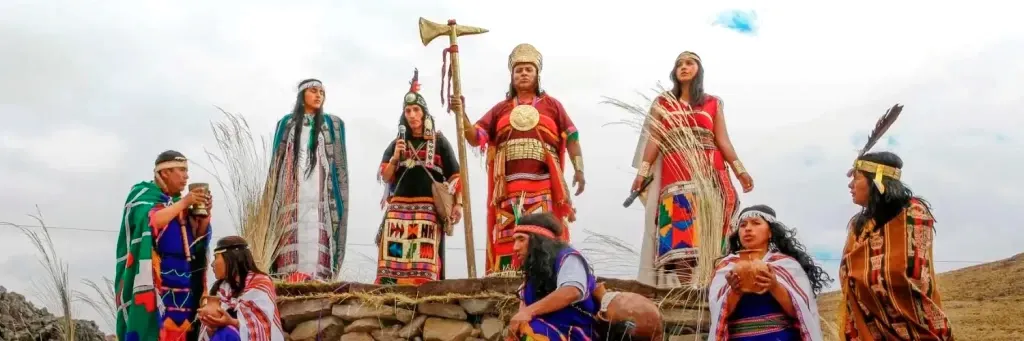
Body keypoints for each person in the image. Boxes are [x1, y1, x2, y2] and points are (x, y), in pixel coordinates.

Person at [448, 43, 586, 275]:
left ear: (537, 75)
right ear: (511, 76)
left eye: (528, 69)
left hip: (542, 184)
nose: (523, 73)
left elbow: (572, 136)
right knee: (508, 238)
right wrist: (462, 115)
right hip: (508, 187)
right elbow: (475, 137)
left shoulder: (553, 106)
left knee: (542, 237)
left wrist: (579, 170)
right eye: (518, 70)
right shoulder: (500, 109)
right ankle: (505, 285)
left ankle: (544, 281)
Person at [629, 51, 754, 288]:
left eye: (689, 63)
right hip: (675, 171)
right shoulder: (663, 102)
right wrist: (642, 172)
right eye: (679, 65)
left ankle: (709, 286)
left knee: (710, 232)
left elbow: (723, 141)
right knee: (681, 235)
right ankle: (687, 290)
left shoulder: (712, 103)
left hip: (710, 171)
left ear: (699, 70)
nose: (684, 67)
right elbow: (654, 140)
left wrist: (740, 170)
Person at [839, 151, 953, 340]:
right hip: (868, 329)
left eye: (856, 178)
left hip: (916, 329)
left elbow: (909, 275)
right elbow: (850, 279)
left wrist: (862, 273)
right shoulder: (857, 227)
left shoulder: (913, 212)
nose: (850, 185)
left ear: (877, 180)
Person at [375, 70, 464, 285]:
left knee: (426, 260)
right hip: (399, 210)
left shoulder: (440, 141)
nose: (412, 115)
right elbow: (386, 176)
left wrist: (458, 205)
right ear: (403, 115)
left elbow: (456, 176)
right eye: (408, 111)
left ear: (424, 113)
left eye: (416, 110)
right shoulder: (397, 142)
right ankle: (390, 296)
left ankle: (427, 295)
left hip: (428, 210)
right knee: (393, 257)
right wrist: (396, 156)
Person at [115, 150, 213, 341]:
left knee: (183, 332)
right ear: (165, 172)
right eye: (181, 170)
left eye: (187, 171)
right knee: (154, 331)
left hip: (185, 281)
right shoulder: (142, 194)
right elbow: (151, 222)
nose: (186, 176)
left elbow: (197, 239)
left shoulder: (178, 204)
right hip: (157, 282)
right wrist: (185, 202)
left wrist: (205, 215)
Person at [266, 78, 350, 282]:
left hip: (321, 196)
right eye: (313, 91)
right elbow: (276, 163)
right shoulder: (287, 123)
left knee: (316, 232)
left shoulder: (332, 124)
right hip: (292, 193)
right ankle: (288, 280)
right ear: (302, 96)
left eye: (322, 92)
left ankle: (318, 281)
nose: (319, 95)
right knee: (293, 231)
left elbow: (339, 165)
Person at [708, 205, 828, 341]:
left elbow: (800, 313)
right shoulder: (726, 267)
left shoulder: (787, 265)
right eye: (742, 225)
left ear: (770, 232)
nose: (747, 228)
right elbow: (719, 315)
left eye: (756, 223)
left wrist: (774, 286)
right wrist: (735, 291)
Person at [506, 212, 598, 341]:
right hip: (542, 330)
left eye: (521, 239)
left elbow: (571, 291)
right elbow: (523, 312)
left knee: (532, 332)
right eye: (515, 240)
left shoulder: (568, 258)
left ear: (539, 241)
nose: (515, 247)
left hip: (573, 333)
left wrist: (528, 312)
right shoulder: (533, 273)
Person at [198, 236, 285, 341]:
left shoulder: (260, 284)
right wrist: (211, 326)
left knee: (227, 333)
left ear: (229, 258)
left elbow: (264, 326)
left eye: (216, 257)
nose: (212, 264)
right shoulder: (219, 290)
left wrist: (232, 322)